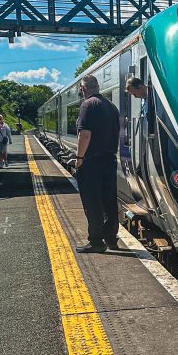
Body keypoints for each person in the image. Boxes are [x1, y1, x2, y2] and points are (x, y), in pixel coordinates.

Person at [73, 74, 121, 253]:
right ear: (98, 86)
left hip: (92, 160)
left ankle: (96, 242)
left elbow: (85, 135)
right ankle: (111, 238)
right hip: (109, 159)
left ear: (84, 88)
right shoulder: (111, 106)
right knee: (109, 200)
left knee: (92, 202)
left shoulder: (88, 105)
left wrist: (79, 159)